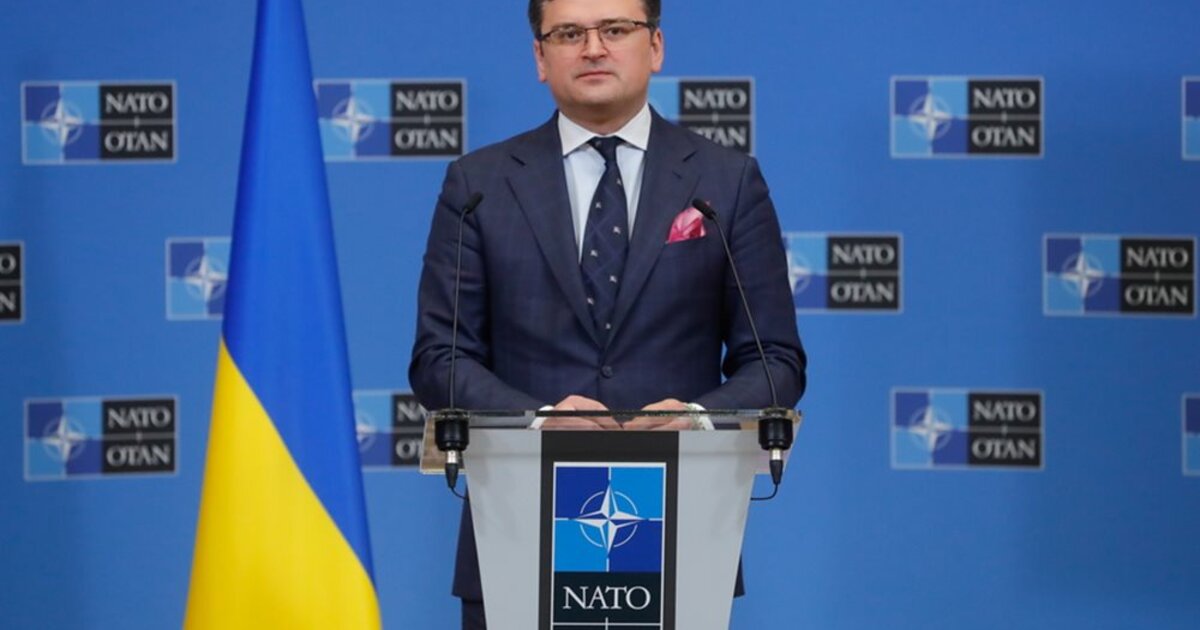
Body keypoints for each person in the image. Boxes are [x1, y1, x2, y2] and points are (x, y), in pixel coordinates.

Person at [408, 0, 806, 627]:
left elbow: (775, 360)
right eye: (569, 33)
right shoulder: (478, 184)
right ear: (540, 57)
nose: (593, 48)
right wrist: (537, 419)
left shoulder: (726, 182)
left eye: (615, 29)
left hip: (678, 534)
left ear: (655, 46)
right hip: (517, 535)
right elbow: (441, 359)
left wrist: (698, 417)